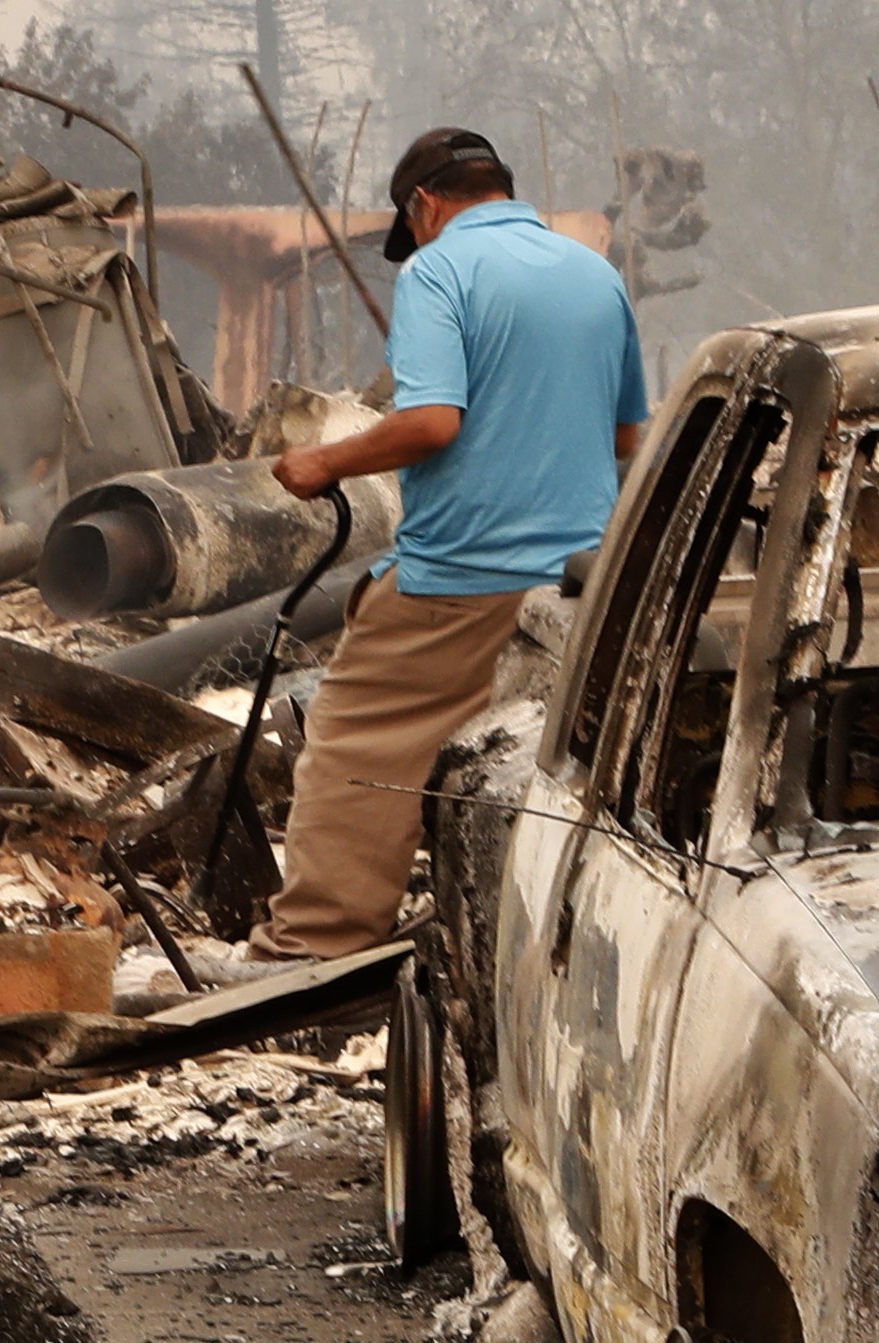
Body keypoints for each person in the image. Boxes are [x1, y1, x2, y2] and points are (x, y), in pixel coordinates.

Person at [241, 127, 650, 962]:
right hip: (581, 583)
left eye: (413, 227)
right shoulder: (593, 276)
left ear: (425, 206)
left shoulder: (440, 270)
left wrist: (325, 460)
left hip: (460, 577)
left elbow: (431, 422)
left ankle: (312, 951)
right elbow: (629, 436)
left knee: (353, 746)